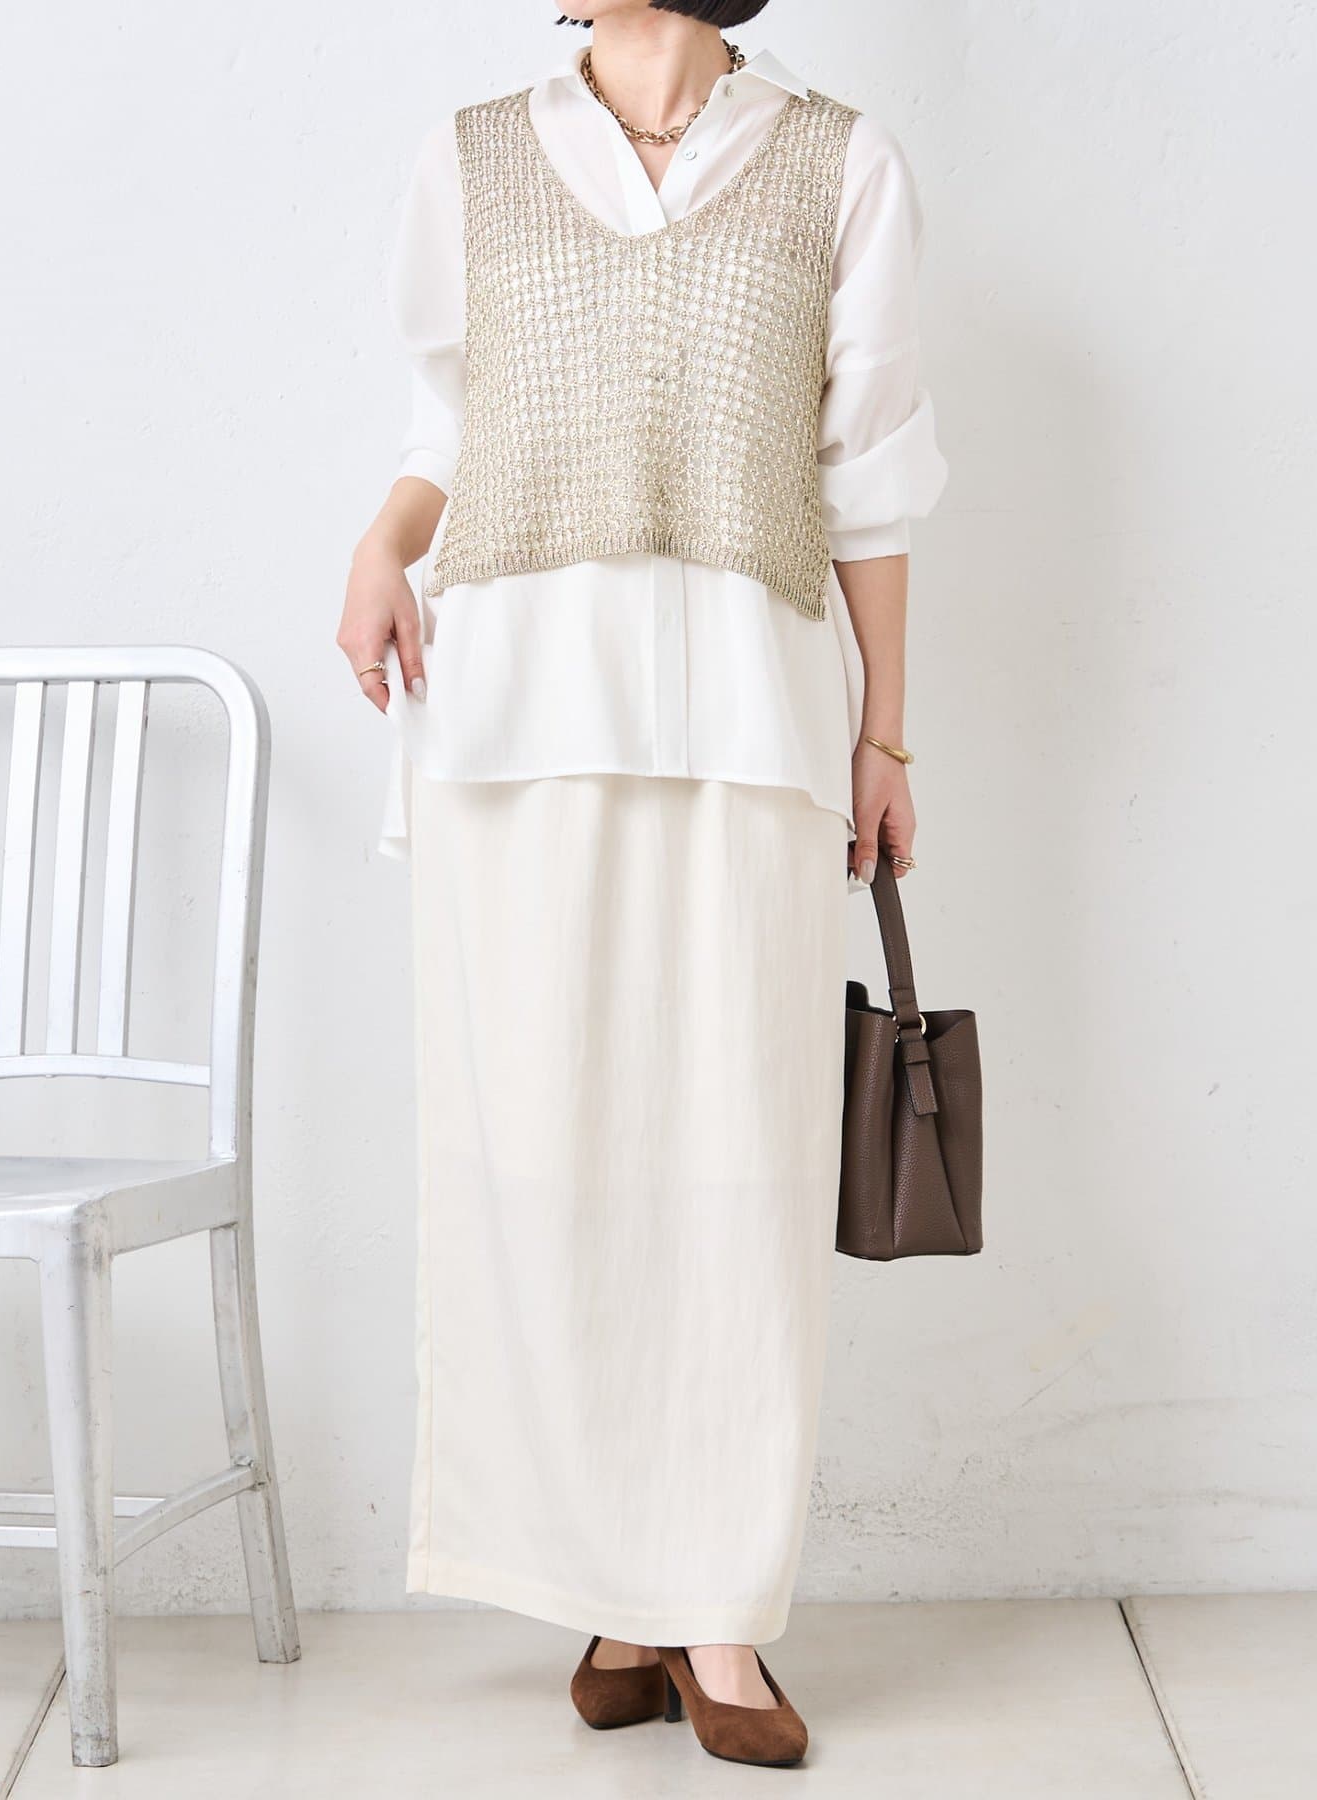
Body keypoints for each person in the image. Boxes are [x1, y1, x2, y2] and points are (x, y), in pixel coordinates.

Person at [338, 0, 946, 1768]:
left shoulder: (838, 161)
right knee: (544, 1154)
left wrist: (886, 735)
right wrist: (380, 543)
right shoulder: (475, 155)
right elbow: (446, 422)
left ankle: (716, 1602)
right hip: (513, 711)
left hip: (754, 714)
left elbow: (871, 476)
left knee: (740, 1159)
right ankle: (612, 1583)